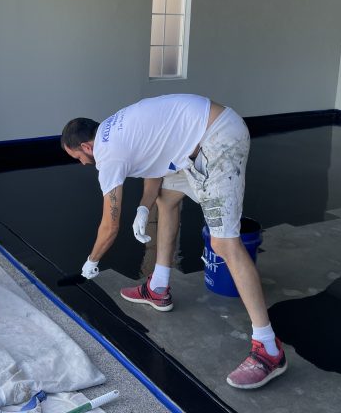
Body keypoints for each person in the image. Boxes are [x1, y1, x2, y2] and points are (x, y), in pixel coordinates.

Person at [61, 94, 287, 390]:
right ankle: (158, 288)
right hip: (197, 141)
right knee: (167, 199)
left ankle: (268, 348)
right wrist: (144, 207)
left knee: (224, 244)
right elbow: (156, 168)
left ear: (87, 147)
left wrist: (91, 262)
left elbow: (110, 225)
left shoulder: (108, 154)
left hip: (218, 138)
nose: (82, 164)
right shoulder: (116, 128)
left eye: (78, 158)